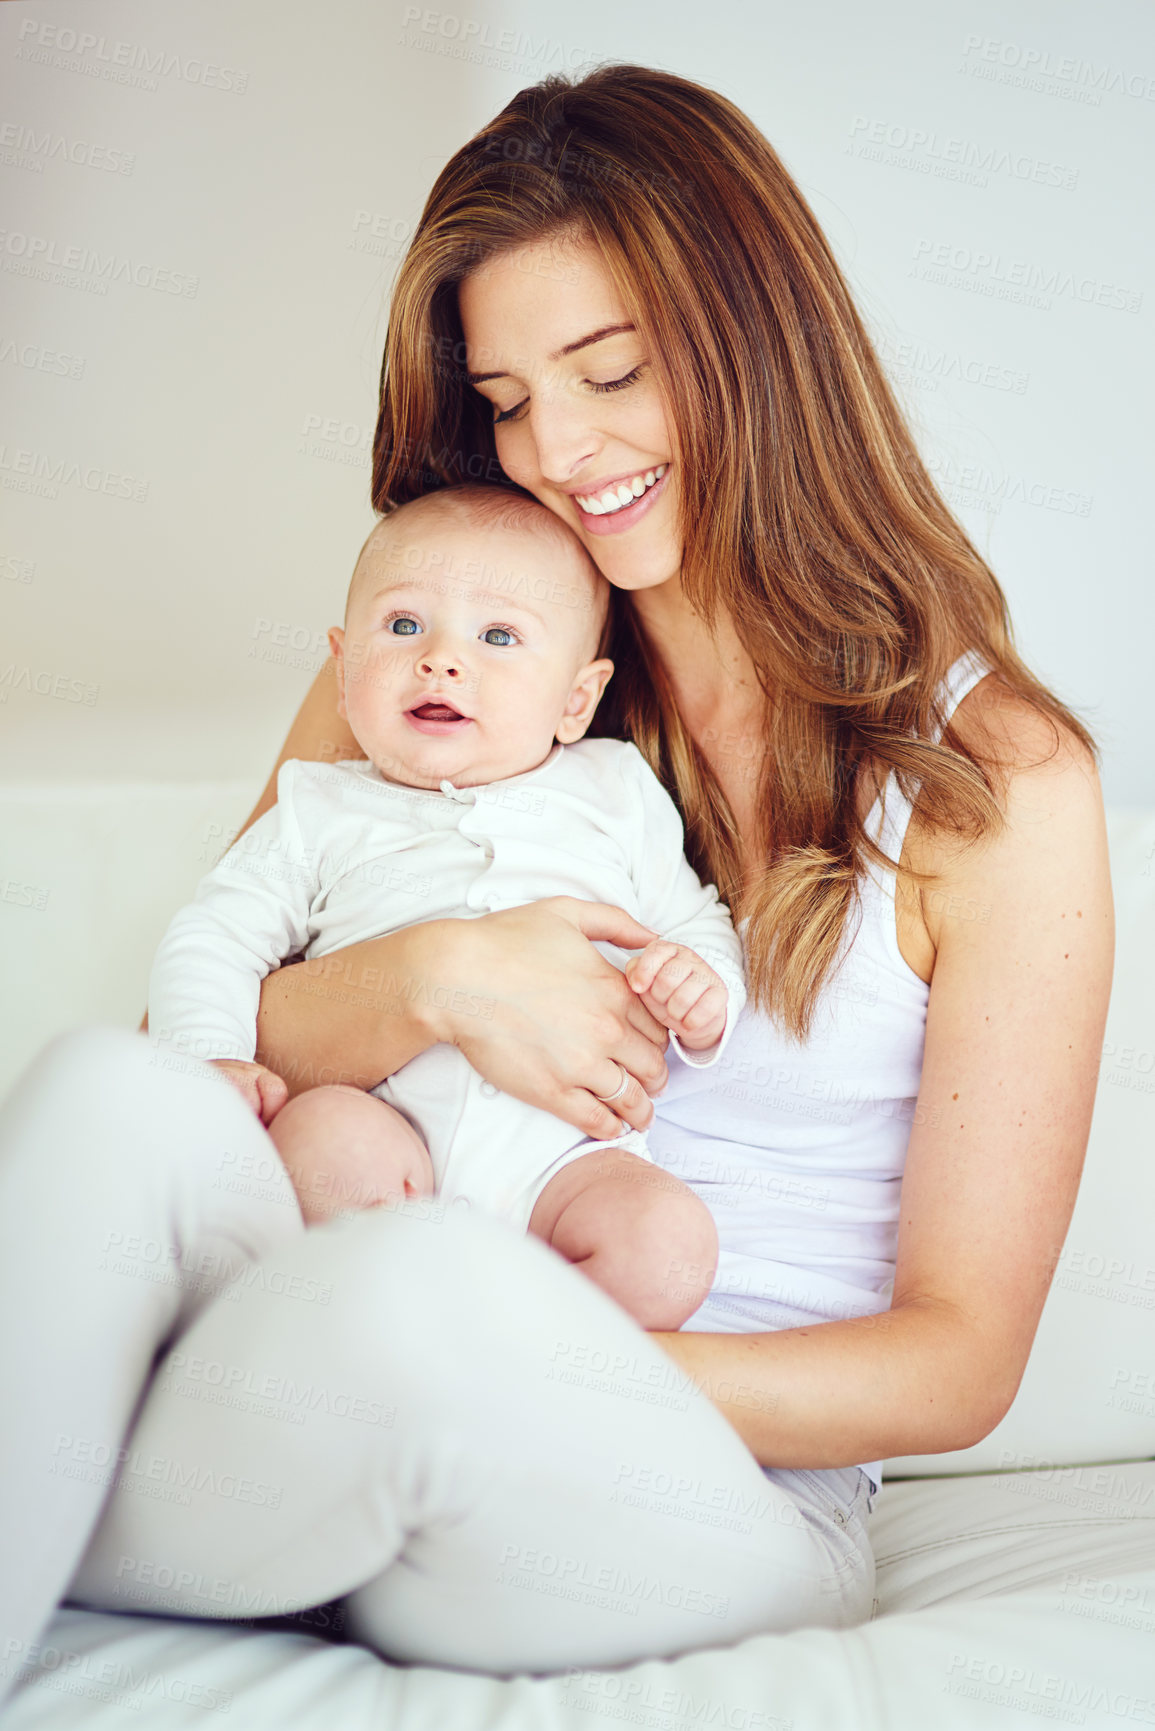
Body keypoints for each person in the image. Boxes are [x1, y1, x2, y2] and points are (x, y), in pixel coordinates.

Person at [0, 62, 1113, 1704]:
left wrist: (553, 1363)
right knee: (103, 1091)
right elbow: (210, 1038)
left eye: (609, 371)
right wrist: (440, 976)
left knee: (425, 1292)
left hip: (697, 1482)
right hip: (355, 1366)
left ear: (759, 346)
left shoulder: (1000, 782)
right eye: (511, 397)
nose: (560, 452)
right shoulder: (459, 648)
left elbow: (956, 1366)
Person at [148, 483, 746, 1330]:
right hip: (387, 1124)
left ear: (577, 699)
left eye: (498, 636)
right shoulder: (318, 808)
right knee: (321, 1147)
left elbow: (691, 920)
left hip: (560, 1161)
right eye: (401, 626)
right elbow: (213, 933)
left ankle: (513, 1358)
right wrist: (208, 1055)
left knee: (667, 1242)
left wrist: (701, 986)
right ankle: (375, 1346)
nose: (441, 660)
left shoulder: (615, 791)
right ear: (343, 660)